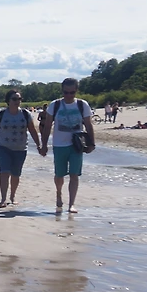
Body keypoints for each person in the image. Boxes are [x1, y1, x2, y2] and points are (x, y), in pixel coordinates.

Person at [40, 78, 96, 214]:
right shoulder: (55, 105)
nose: (69, 95)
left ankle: (71, 204)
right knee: (59, 175)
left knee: (74, 174)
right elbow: (47, 126)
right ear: (62, 91)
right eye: (66, 92)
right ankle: (59, 192)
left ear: (76, 91)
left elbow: (89, 125)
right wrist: (44, 145)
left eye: (72, 92)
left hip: (77, 145)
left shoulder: (82, 105)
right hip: (59, 145)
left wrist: (92, 143)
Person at [0, 90, 43, 207]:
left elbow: (32, 130)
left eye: (19, 99)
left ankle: (13, 196)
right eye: (14, 99)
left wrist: (38, 145)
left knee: (16, 174)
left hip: (20, 149)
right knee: (4, 172)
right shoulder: (1, 115)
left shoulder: (26, 114)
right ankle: (3, 199)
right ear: (8, 101)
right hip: (3, 147)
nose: (17, 101)